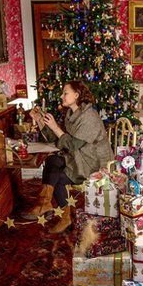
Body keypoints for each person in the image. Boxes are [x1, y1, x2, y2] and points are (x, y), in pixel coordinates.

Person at [26, 81, 112, 233]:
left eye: (65, 93)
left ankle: (63, 217)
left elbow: (72, 144)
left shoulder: (89, 117)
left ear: (76, 95)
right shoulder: (71, 114)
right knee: (52, 160)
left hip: (93, 163)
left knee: (58, 177)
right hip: (79, 157)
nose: (62, 96)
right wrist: (39, 120)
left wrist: (55, 127)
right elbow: (58, 139)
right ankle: (46, 204)